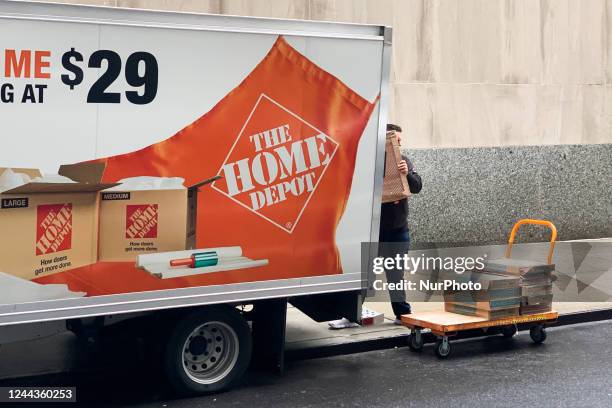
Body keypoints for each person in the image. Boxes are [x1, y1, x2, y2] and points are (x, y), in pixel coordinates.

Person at [380, 123, 422, 323]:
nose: (399, 142)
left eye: (399, 139)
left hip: (398, 230)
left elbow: (417, 187)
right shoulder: (374, 162)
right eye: (395, 139)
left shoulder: (404, 160)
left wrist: (408, 174)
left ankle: (402, 314)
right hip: (375, 231)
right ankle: (351, 315)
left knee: (395, 275)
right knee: (364, 275)